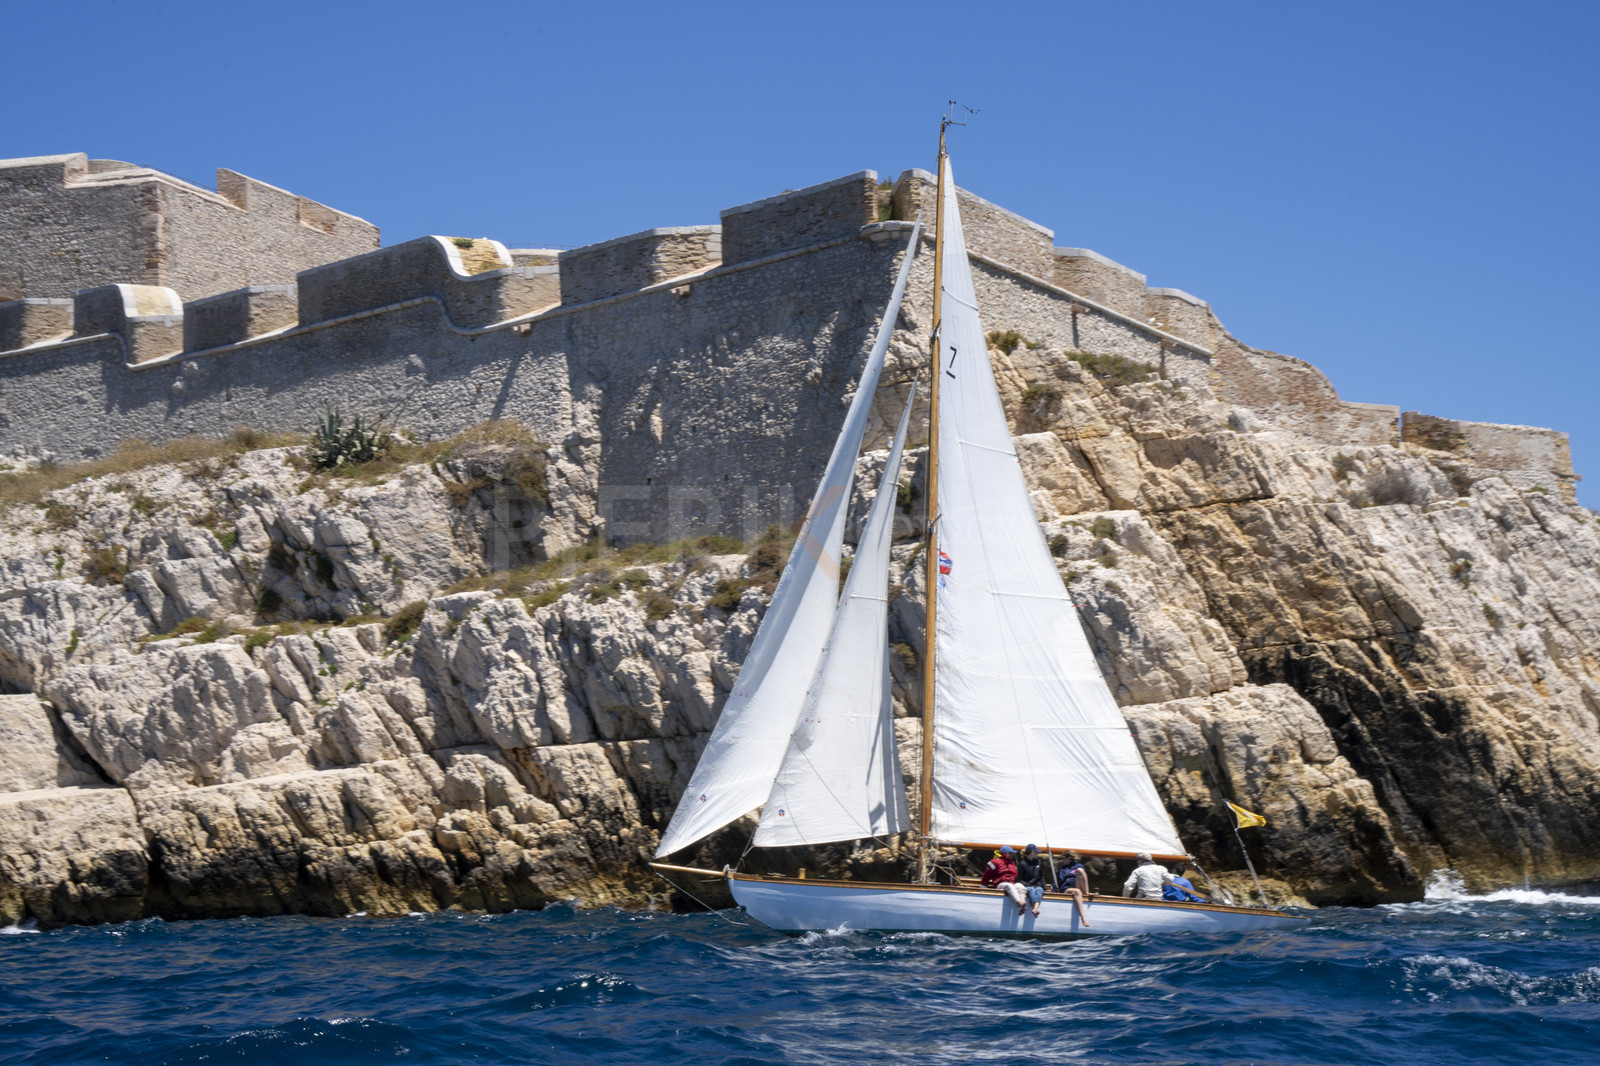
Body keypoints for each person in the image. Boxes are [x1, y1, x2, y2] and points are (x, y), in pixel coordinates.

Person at [980, 845, 1027, 913]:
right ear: (1006, 854)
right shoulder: (994, 862)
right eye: (1011, 853)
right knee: (1009, 886)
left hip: (1012, 883)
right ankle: (1018, 902)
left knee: (1020, 886)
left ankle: (1023, 904)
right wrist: (983, 888)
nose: (1013, 855)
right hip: (1000, 884)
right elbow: (986, 875)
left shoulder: (1012, 863)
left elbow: (1016, 876)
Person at [1053, 850, 1093, 927]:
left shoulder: (1079, 866)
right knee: (1077, 891)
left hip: (1077, 886)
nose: (1062, 860)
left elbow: (1082, 876)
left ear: (1069, 858)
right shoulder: (1061, 868)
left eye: (1064, 858)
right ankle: (1083, 918)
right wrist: (1054, 892)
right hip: (1066, 889)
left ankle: (1086, 892)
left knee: (1080, 871)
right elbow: (1056, 881)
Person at [1016, 844, 1049, 916]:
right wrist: (1029, 885)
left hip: (1037, 885)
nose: (1038, 854)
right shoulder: (1022, 864)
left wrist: (1045, 887)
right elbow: (1019, 879)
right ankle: (1034, 908)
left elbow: (1041, 876)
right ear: (1032, 852)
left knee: (1040, 889)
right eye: (1036, 852)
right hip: (1027, 885)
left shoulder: (1038, 862)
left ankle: (1035, 909)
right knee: (1031, 889)